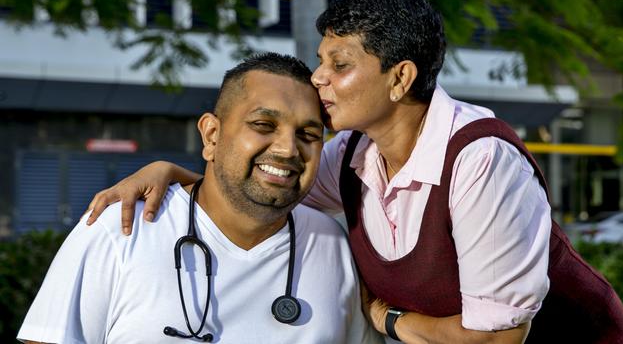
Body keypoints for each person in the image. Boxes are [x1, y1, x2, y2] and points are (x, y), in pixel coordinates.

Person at [86, 0, 623, 344]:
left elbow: (495, 339)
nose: (317, 78)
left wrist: (387, 319)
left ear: (400, 78)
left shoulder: (478, 160)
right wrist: (170, 171)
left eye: (339, 64)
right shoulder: (349, 156)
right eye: (321, 61)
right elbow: (267, 178)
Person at [17, 53, 381, 344]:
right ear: (211, 135)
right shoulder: (119, 229)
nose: (288, 148)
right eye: (263, 125)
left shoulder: (332, 245)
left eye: (308, 133)